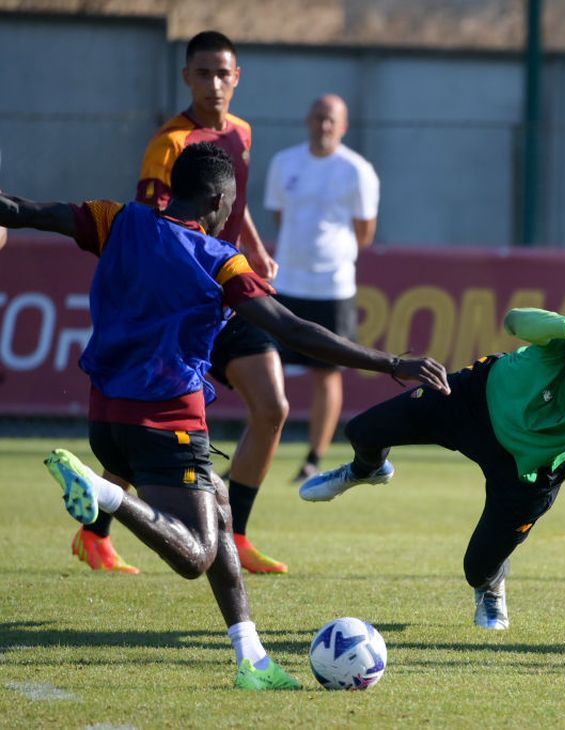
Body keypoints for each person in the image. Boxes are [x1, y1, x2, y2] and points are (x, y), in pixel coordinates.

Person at [0, 142, 449, 688]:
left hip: (106, 419)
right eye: (231, 203)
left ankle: (252, 658)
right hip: (166, 423)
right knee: (195, 553)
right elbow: (294, 330)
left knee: (218, 502)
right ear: (217, 199)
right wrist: (391, 362)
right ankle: (104, 494)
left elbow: (28, 211)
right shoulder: (218, 260)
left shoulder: (116, 220)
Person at [299, 305, 565, 630]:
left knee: (475, 569)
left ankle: (492, 584)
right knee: (363, 430)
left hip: (526, 471)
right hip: (471, 401)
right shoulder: (564, 342)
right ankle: (367, 469)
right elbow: (514, 321)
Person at [71, 30, 292, 575]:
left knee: (274, 407)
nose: (214, 83)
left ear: (237, 77)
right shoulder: (169, 144)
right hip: (185, 303)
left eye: (224, 73)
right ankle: (95, 530)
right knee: (143, 423)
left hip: (229, 288)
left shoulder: (241, 132)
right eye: (203, 73)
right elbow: (156, 231)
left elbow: (231, 205)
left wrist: (257, 249)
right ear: (186, 76)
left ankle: (234, 533)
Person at [264, 94, 380, 483]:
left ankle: (313, 457)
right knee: (264, 368)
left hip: (332, 286)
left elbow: (364, 233)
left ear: (343, 126)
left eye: (332, 120)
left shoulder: (357, 170)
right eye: (318, 118)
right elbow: (280, 216)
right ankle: (259, 450)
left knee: (325, 372)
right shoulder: (284, 163)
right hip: (287, 283)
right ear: (307, 120)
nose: (324, 125)